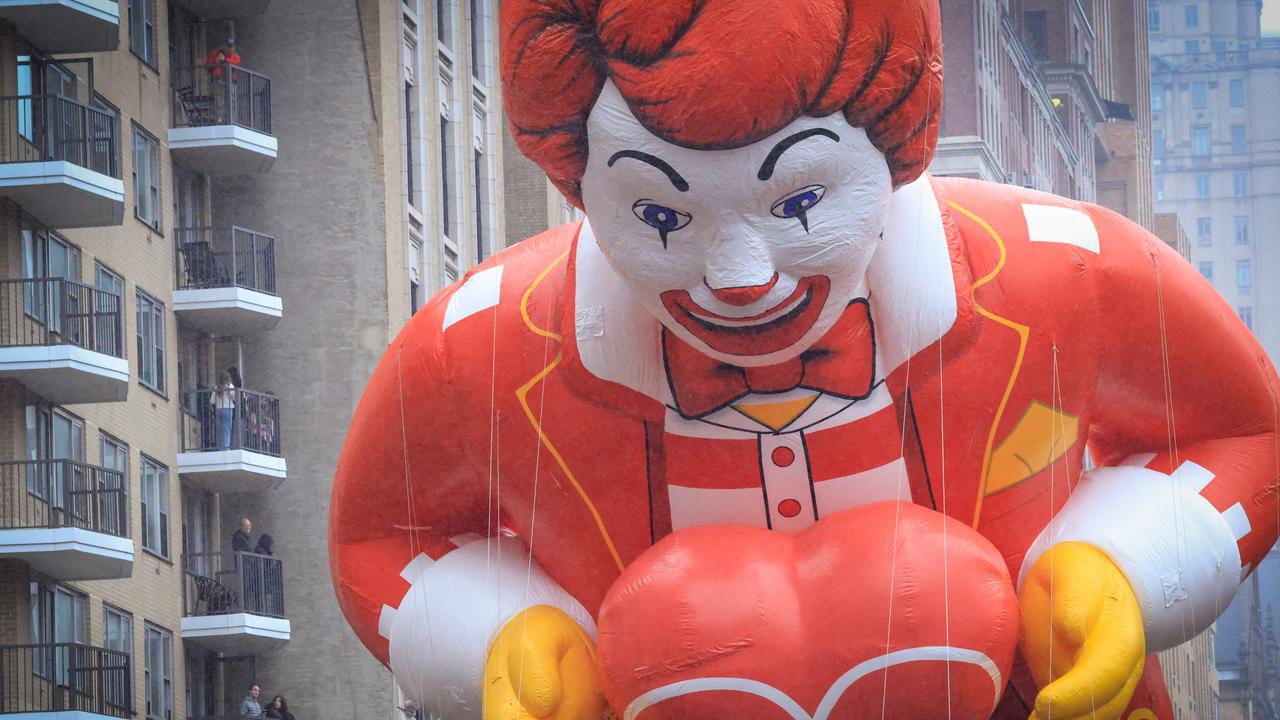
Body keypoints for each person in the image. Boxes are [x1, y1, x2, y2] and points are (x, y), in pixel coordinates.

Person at [330, 1, 1280, 719]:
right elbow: (377, 538)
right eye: (663, 217)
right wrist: (508, 631)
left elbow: (1245, 425)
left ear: (896, 143)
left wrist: (1117, 563)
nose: (740, 280)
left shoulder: (1067, 271)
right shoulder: (484, 349)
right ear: (580, 183)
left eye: (796, 205)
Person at [211, 371, 237, 449]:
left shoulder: (217, 387)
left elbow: (212, 401)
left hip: (218, 409)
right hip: (228, 409)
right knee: (227, 429)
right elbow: (235, 398)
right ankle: (226, 448)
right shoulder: (230, 386)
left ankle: (220, 448)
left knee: (219, 430)